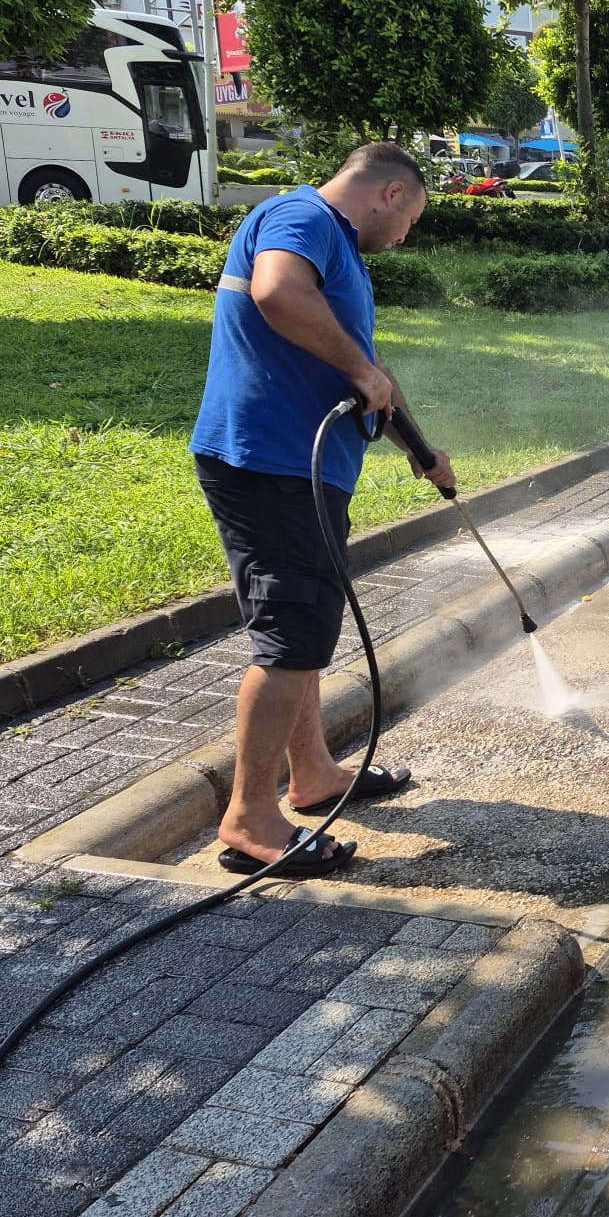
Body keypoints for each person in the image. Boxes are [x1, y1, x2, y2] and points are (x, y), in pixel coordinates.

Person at [190, 141, 456, 877]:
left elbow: (366, 364)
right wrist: (360, 368)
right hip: (269, 463)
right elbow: (277, 293)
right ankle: (249, 818)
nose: (403, 237)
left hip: (298, 470)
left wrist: (419, 447)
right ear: (390, 193)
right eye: (410, 220)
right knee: (288, 637)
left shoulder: (334, 245)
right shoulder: (303, 218)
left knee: (307, 628)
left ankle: (312, 774)